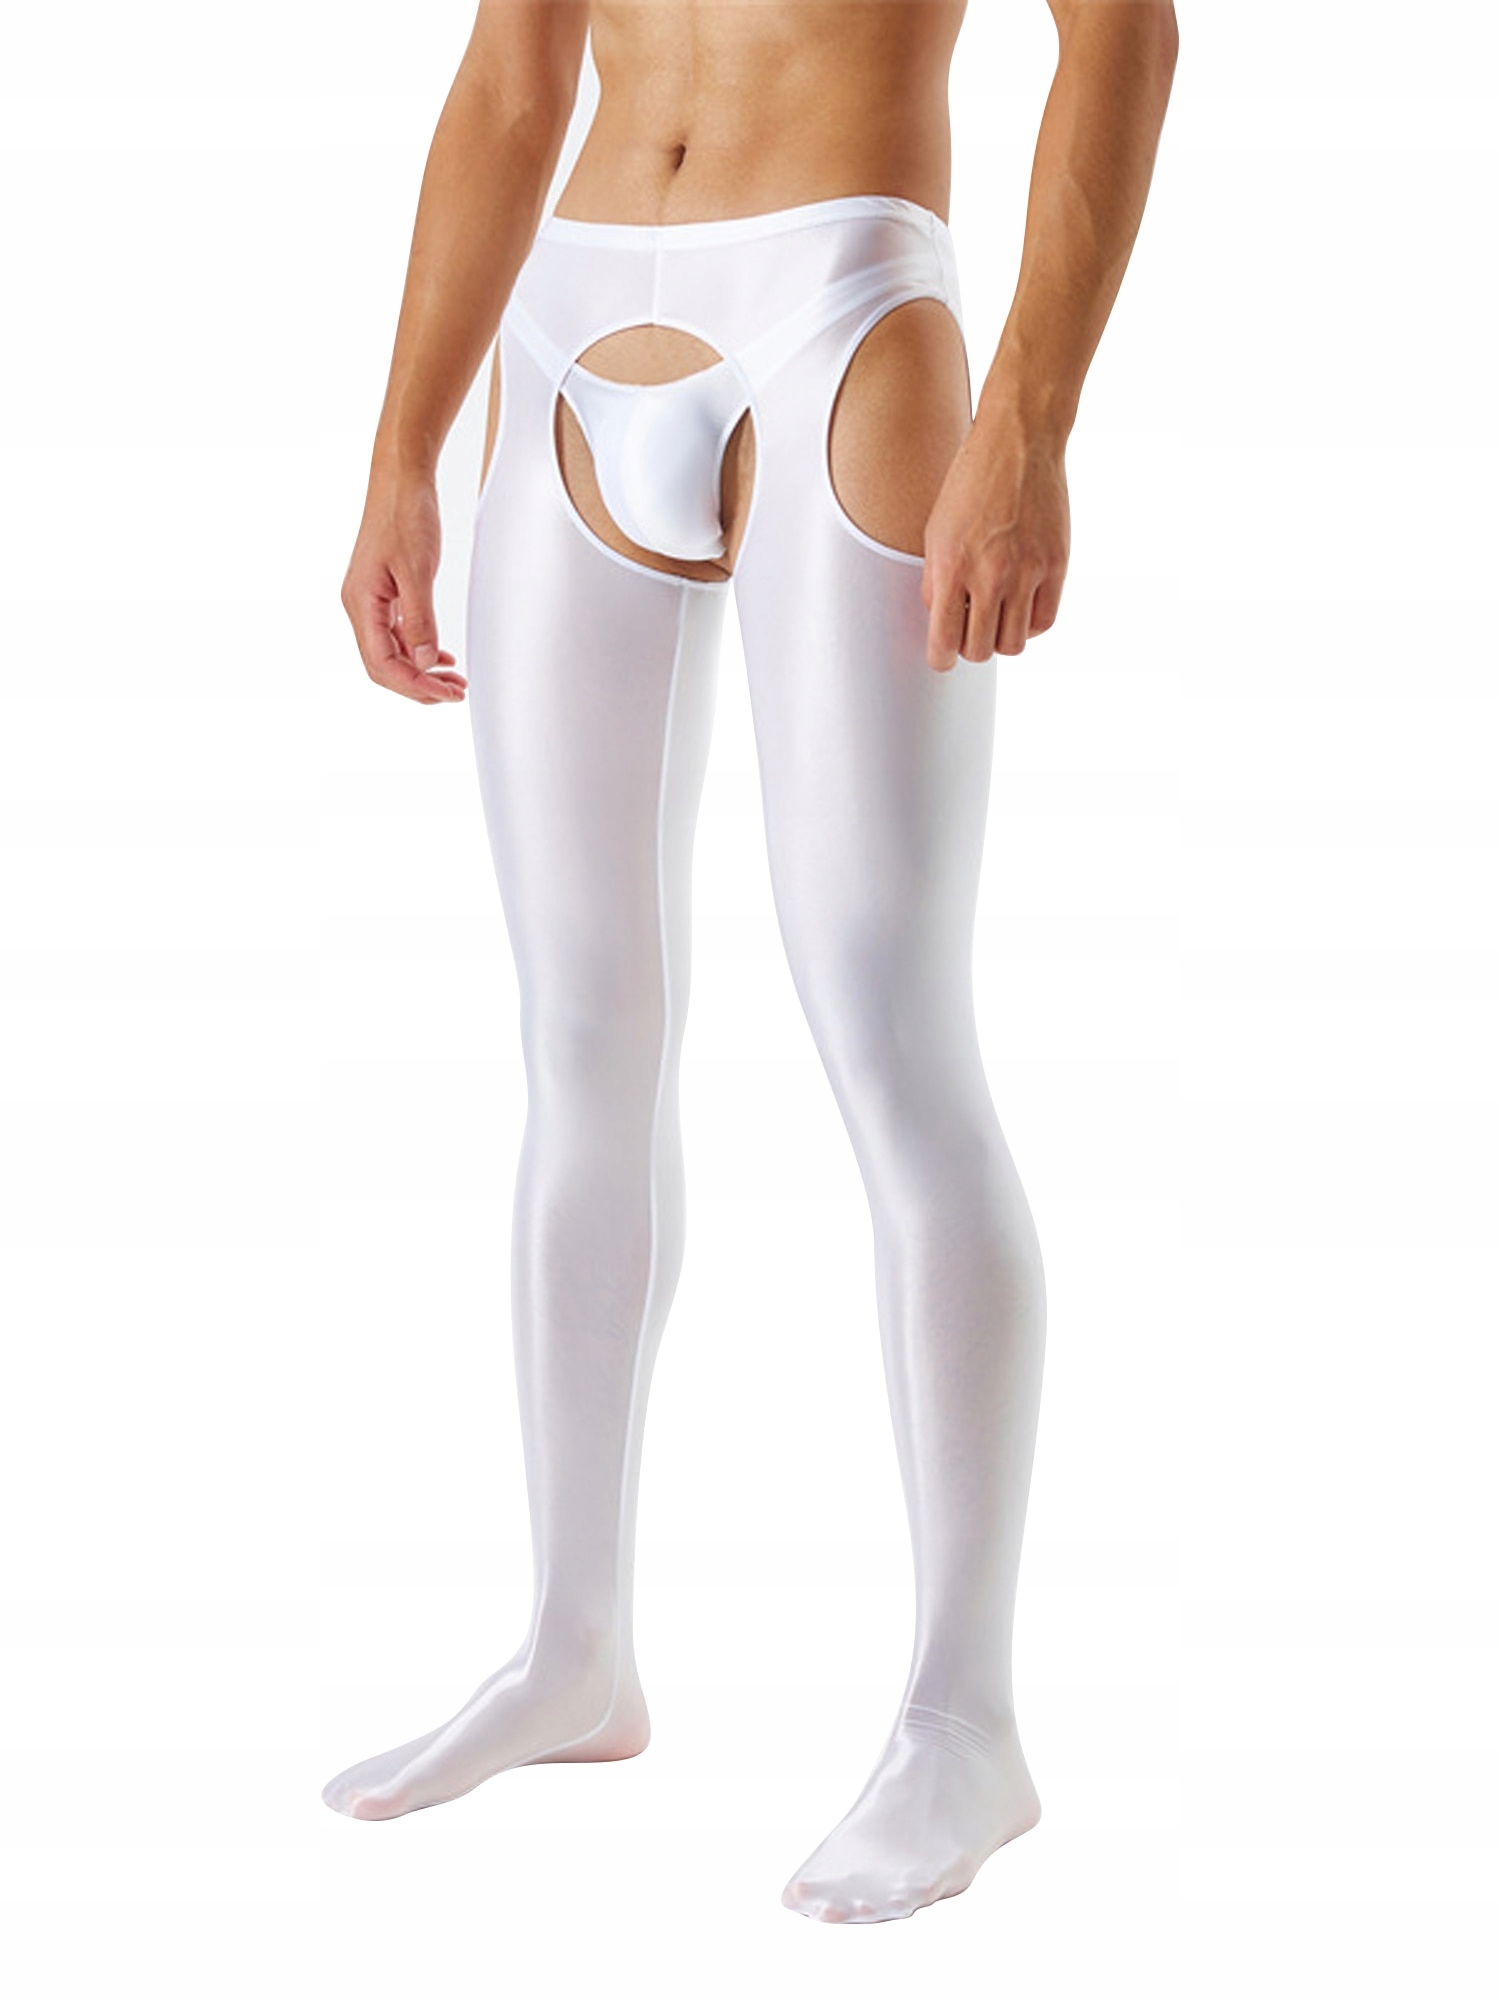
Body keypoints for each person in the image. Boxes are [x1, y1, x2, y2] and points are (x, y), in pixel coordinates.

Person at [324, 0, 1177, 1925]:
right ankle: (574, 1646)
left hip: (840, 301)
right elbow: (515, 76)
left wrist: (1032, 418)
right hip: (568, 319)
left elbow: (1123, 36)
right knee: (579, 1031)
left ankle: (965, 1719)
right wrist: (399, 449)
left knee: (890, 1030)